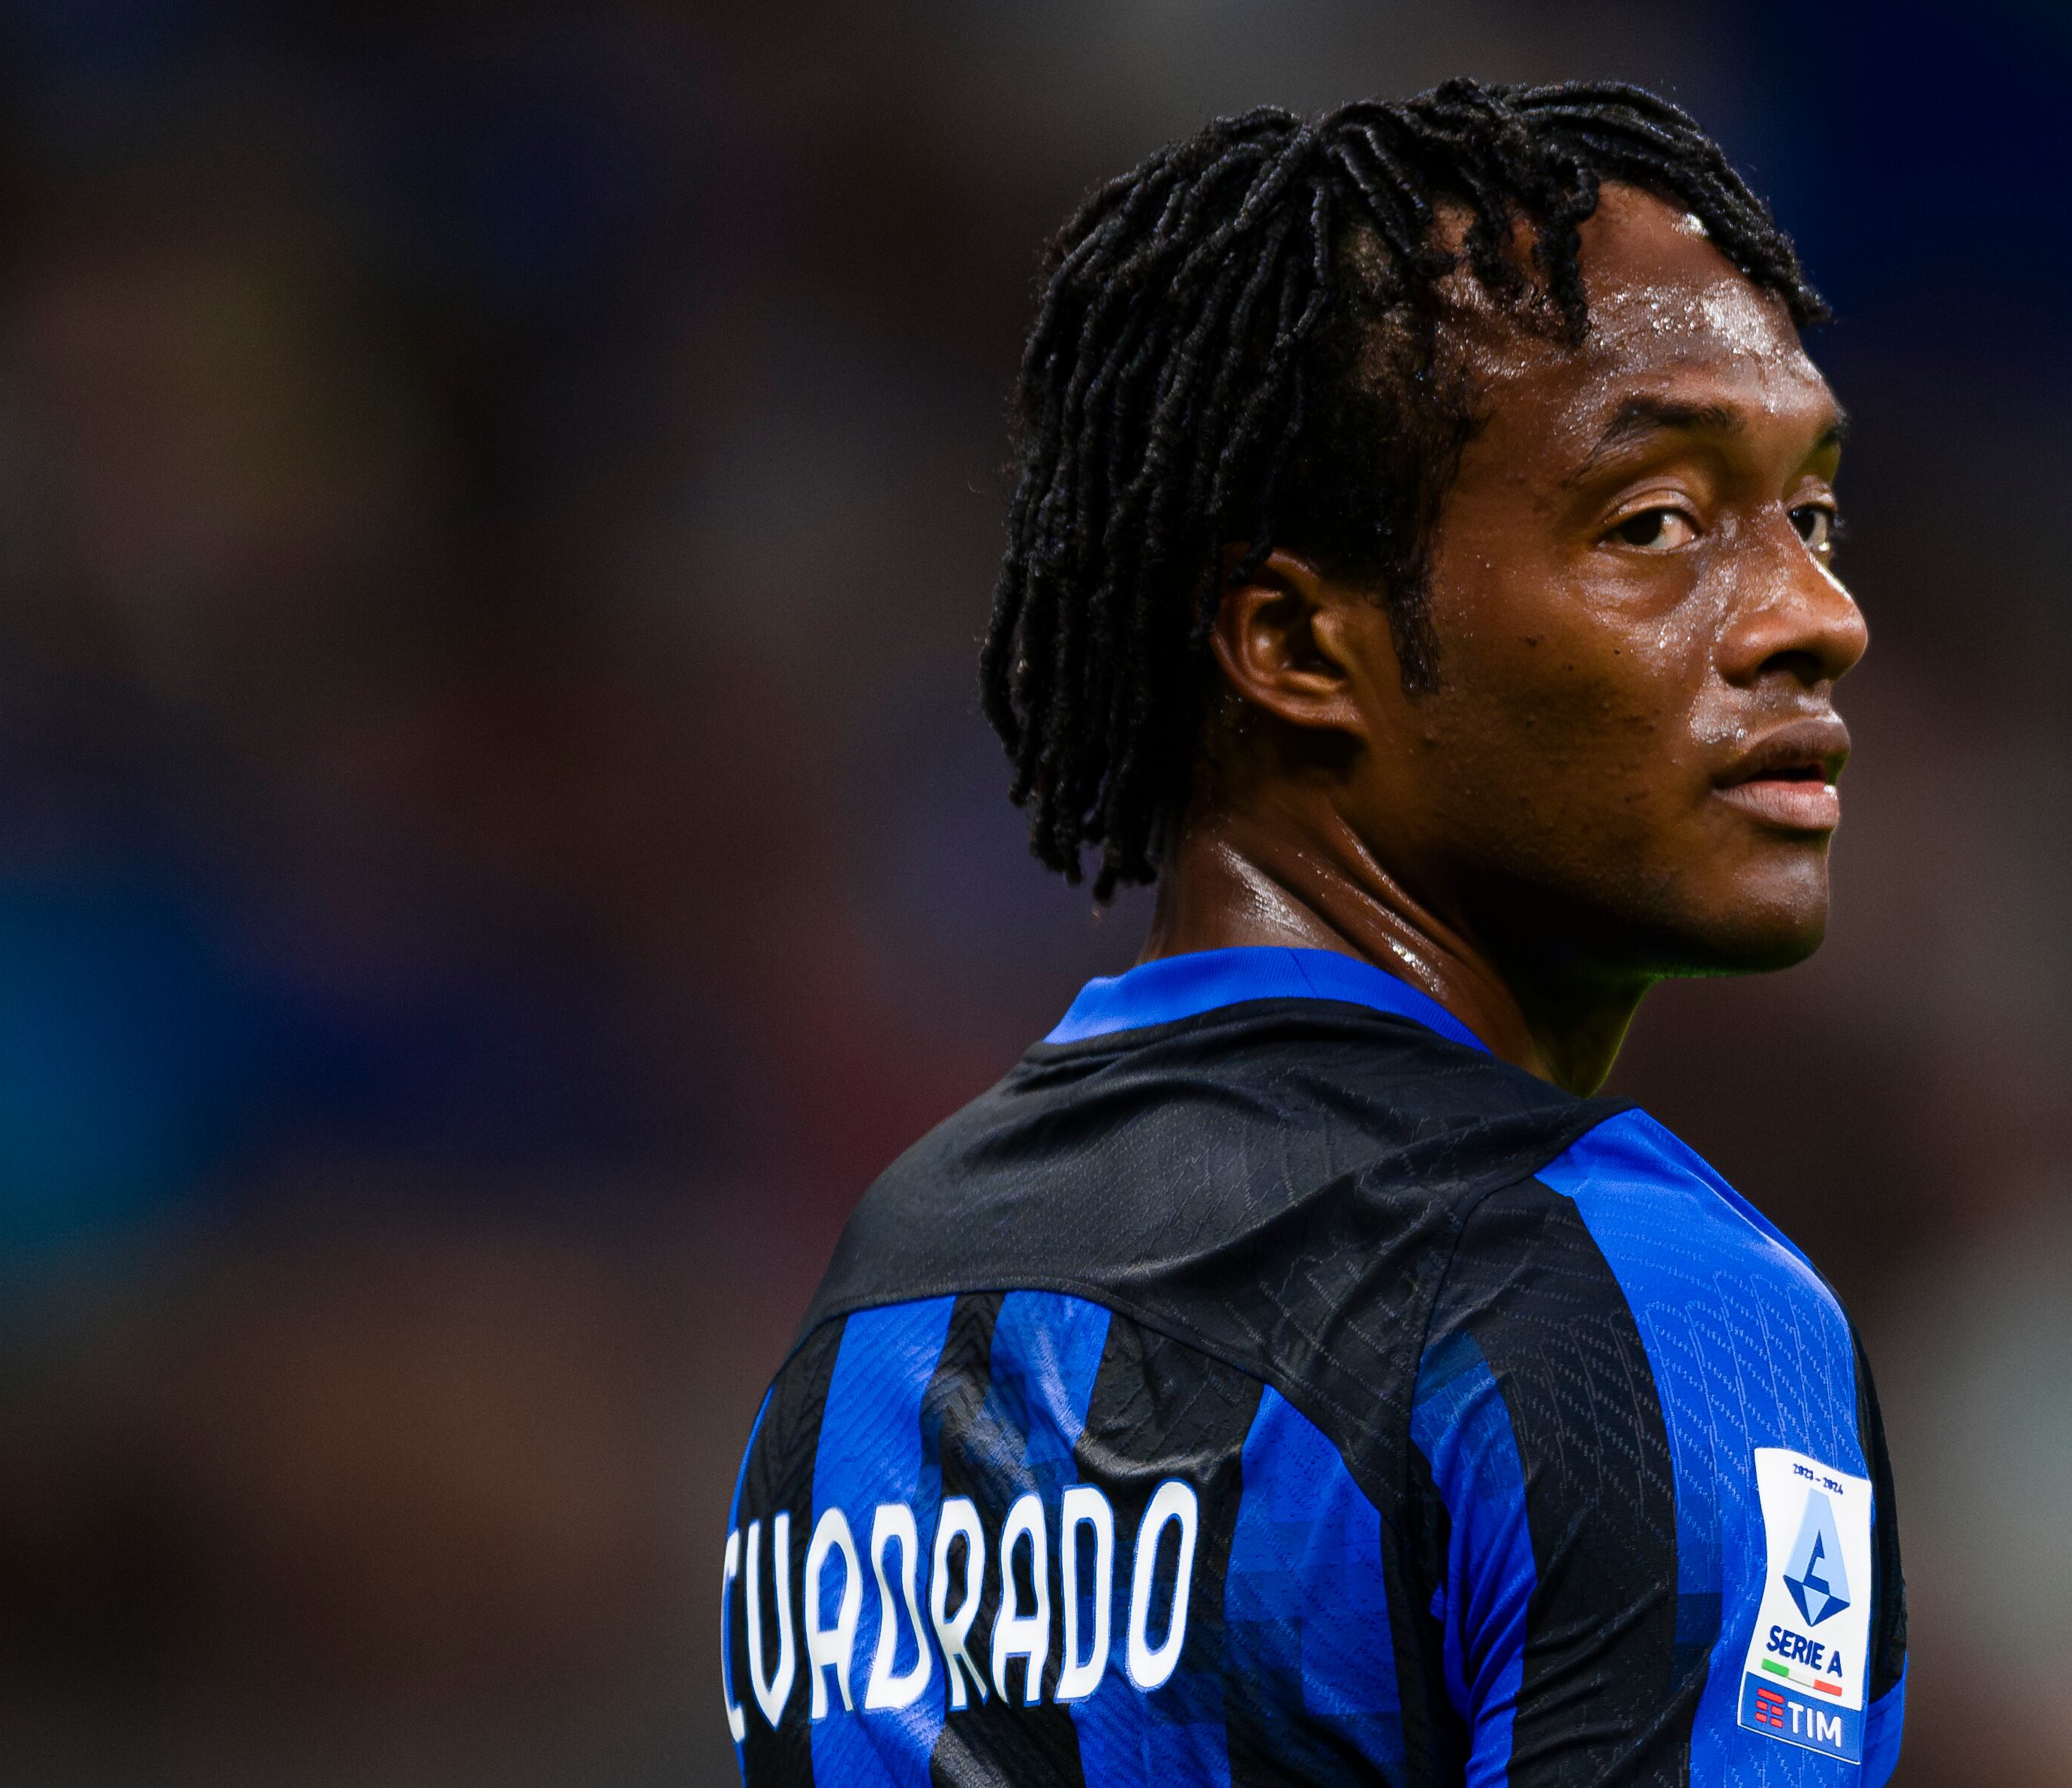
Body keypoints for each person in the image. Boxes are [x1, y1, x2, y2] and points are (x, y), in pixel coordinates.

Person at [719, 81, 1905, 1786]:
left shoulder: (874, 1324)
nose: (1816, 618)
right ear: (1294, 643)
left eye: (1809, 519)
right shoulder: (1634, 1307)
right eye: (1653, 524)